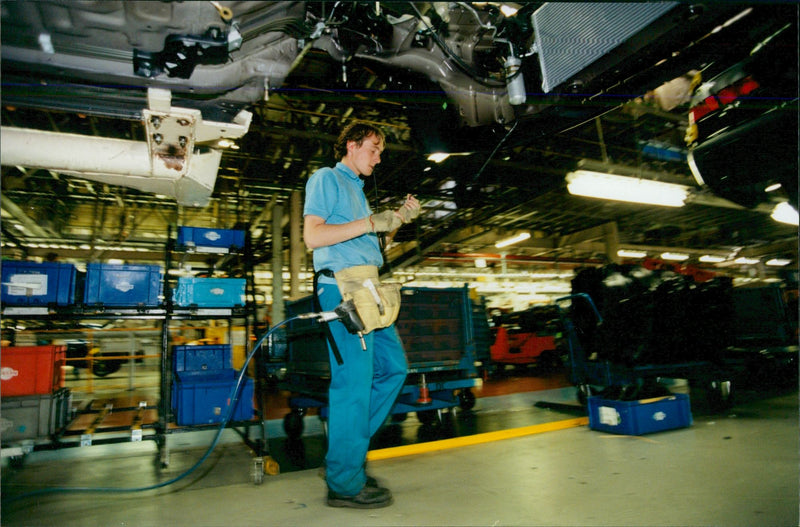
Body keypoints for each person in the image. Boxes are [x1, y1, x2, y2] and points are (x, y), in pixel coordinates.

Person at [303, 122, 420, 509]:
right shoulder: (326, 179)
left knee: (393, 368)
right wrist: (371, 222)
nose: (378, 157)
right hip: (342, 288)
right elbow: (314, 237)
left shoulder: (357, 191)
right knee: (354, 383)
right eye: (373, 148)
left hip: (368, 287)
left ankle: (344, 457)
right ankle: (344, 483)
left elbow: (364, 241)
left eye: (380, 151)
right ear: (351, 146)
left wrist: (397, 218)